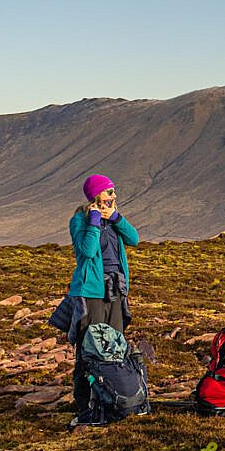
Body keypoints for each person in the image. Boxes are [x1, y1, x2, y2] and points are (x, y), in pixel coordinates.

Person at [67, 174, 140, 426]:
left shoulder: (114, 219)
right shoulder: (80, 220)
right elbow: (86, 252)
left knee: (116, 345)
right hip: (90, 292)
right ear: (96, 195)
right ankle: (85, 405)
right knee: (89, 349)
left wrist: (116, 218)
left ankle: (113, 399)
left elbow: (134, 239)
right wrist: (95, 222)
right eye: (110, 192)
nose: (114, 196)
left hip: (115, 289)